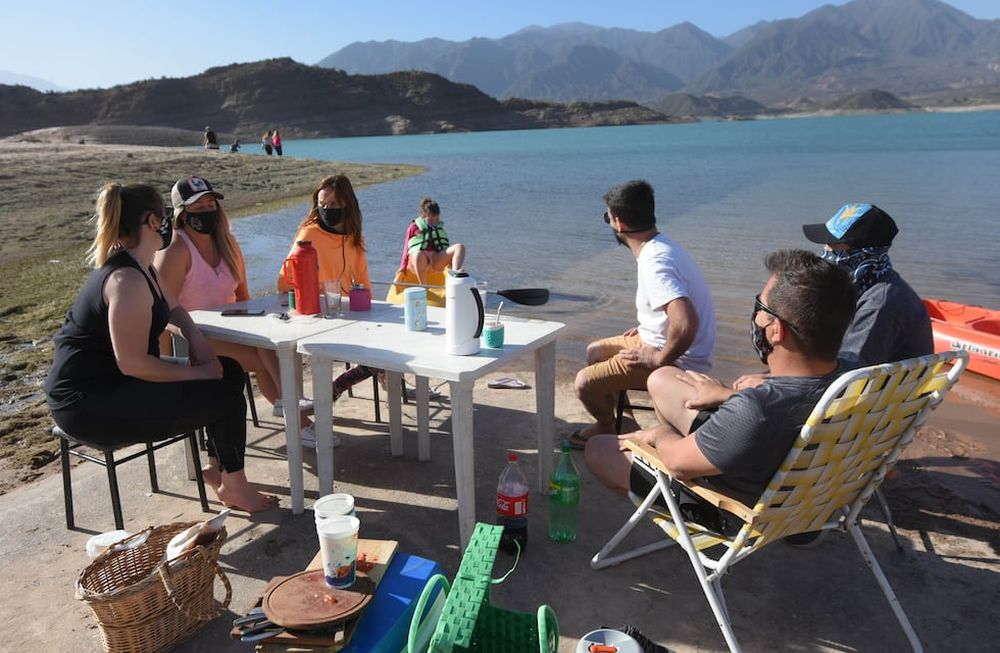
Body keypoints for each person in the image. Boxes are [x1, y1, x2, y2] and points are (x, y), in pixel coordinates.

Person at [584, 250, 856, 534]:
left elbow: (676, 463)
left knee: (600, 449)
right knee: (662, 378)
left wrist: (658, 435)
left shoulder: (756, 410)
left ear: (776, 331)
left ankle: (681, 516)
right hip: (789, 483)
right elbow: (784, 401)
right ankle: (699, 450)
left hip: (730, 509)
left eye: (761, 309)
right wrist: (731, 396)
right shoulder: (855, 376)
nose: (756, 317)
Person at [44, 182, 274, 512]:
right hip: (86, 404)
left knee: (230, 370)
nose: (168, 221)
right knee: (222, 396)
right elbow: (133, 364)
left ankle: (219, 467)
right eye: (165, 215)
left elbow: (174, 307)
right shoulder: (127, 281)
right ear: (153, 221)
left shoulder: (143, 266)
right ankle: (236, 488)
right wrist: (197, 373)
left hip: (114, 384)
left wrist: (198, 344)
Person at [154, 175, 314, 437]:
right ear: (182, 214)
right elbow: (160, 313)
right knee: (266, 359)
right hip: (194, 336)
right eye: (198, 206)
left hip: (232, 328)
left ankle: (291, 409)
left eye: (210, 204)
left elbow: (244, 298)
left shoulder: (228, 243)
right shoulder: (175, 251)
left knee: (273, 342)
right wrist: (166, 366)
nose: (207, 211)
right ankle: (296, 418)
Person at [570, 180, 716, 450]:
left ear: (619, 224)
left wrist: (659, 358)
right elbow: (673, 314)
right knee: (595, 352)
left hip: (679, 359)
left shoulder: (655, 262)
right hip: (659, 341)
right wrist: (649, 327)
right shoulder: (660, 246)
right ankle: (623, 420)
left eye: (608, 218)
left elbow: (685, 324)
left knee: (584, 383)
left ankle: (605, 425)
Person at [277, 174, 377, 437]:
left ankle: (338, 387)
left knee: (387, 349)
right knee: (380, 360)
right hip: (316, 317)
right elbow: (284, 281)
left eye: (334, 204)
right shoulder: (309, 233)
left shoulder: (354, 237)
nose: (327, 210)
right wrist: (314, 288)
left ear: (348, 205)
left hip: (348, 315)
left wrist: (369, 308)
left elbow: (364, 282)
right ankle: (333, 390)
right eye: (323, 203)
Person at [399, 197, 466, 284]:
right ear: (423, 217)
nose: (434, 222)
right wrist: (402, 268)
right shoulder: (413, 227)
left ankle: (455, 275)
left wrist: (449, 262)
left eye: (437, 219)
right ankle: (424, 287)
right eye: (431, 220)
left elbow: (444, 247)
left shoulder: (439, 228)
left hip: (435, 260)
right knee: (418, 254)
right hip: (419, 261)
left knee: (459, 247)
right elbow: (405, 249)